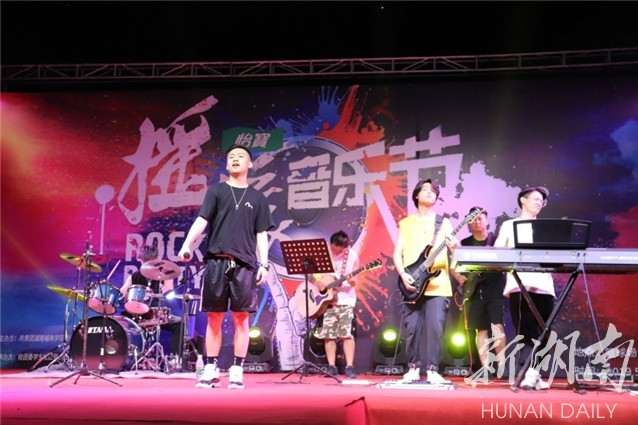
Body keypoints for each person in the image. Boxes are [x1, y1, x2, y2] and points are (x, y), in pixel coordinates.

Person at [178, 144, 274, 390]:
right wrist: (187, 244)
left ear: (249, 164)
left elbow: (261, 233)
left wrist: (264, 263)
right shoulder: (217, 192)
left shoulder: (258, 198)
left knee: (241, 318)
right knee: (214, 317)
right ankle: (211, 369)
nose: (235, 159)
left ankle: (237, 369)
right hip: (217, 261)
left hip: (245, 264)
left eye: (240, 156)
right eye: (231, 157)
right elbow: (202, 220)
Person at [393, 179, 458, 385]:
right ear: (416, 195)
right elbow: (397, 253)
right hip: (412, 283)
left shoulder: (443, 222)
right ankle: (412, 368)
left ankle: (432, 370)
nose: (430, 193)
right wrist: (403, 274)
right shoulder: (406, 223)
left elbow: (454, 253)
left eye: (434, 191)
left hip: (438, 284)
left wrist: (454, 247)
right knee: (412, 328)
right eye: (426, 189)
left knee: (435, 329)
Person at [494, 186, 554, 390]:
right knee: (526, 331)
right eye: (536, 199)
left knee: (544, 331)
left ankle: (535, 373)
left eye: (542, 201)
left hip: (544, 285)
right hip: (520, 284)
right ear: (523, 200)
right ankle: (527, 373)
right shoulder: (510, 225)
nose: (539, 203)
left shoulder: (545, 228)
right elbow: (498, 250)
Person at [450, 207, 507, 377]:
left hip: (494, 287)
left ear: (487, 221)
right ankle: (485, 368)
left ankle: (502, 366)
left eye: (480, 218)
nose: (477, 222)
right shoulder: (464, 243)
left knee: (497, 327)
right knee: (480, 329)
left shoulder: (496, 241)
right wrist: (459, 277)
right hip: (474, 290)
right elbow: (453, 266)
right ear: (469, 222)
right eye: (474, 219)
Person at [120, 245, 184, 360]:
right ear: (140, 260)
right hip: (136, 315)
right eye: (144, 262)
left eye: (150, 262)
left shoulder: (165, 275)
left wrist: (165, 288)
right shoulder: (133, 276)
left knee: (179, 323)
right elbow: (122, 293)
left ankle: (174, 359)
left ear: (157, 259)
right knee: (119, 322)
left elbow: (169, 290)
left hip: (156, 314)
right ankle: (124, 358)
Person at [313, 230, 361, 379]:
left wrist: (352, 281)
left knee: (346, 334)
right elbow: (311, 275)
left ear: (346, 247)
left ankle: (349, 366)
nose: (337, 252)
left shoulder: (352, 256)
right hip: (327, 300)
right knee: (329, 335)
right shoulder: (323, 255)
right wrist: (318, 283)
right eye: (334, 249)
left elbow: (355, 281)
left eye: (340, 250)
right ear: (331, 244)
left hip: (345, 299)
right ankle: (331, 366)